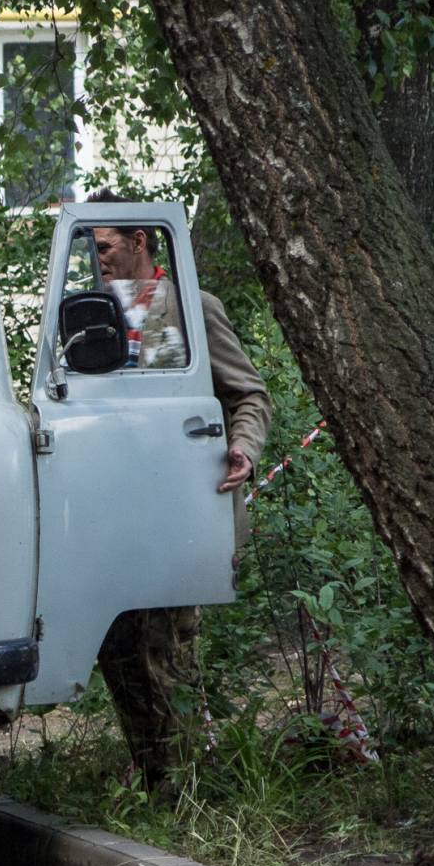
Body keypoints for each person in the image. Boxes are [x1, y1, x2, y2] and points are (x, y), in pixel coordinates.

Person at [85, 189, 272, 791]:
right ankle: (151, 773)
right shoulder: (92, 312)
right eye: (92, 248)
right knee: (115, 646)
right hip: (115, 508)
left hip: (182, 505)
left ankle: (186, 784)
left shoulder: (193, 307)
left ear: (140, 242)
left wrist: (242, 446)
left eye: (107, 246)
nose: (99, 259)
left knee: (167, 648)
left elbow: (248, 393)